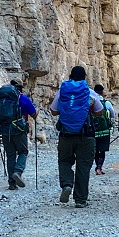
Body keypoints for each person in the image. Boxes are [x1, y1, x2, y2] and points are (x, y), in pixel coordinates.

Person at [49, 66, 104, 208]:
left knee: (64, 161)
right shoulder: (89, 92)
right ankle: (80, 200)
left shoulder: (63, 91)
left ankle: (67, 185)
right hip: (86, 135)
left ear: (70, 75)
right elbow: (100, 111)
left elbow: (54, 111)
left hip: (66, 134)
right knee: (83, 166)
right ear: (85, 77)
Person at [0, 80, 37, 190]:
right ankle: (18, 171)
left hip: (4, 130)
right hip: (19, 130)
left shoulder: (2, 99)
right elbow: (33, 114)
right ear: (20, 88)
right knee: (23, 151)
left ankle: (12, 183)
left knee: (10, 155)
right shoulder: (23, 98)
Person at [92, 84, 115, 175]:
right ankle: (99, 168)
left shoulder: (91, 101)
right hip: (105, 130)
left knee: (95, 149)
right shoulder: (106, 103)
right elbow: (112, 114)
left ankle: (95, 165)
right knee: (102, 150)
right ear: (102, 92)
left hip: (94, 130)